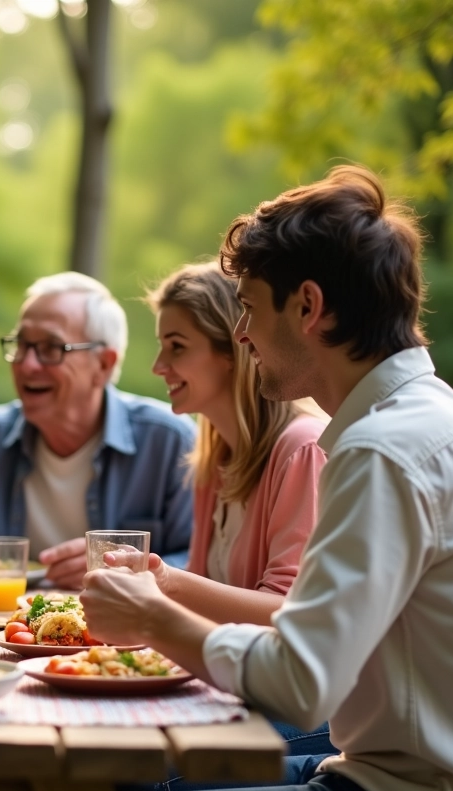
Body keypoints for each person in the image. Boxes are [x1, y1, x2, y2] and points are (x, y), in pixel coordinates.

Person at [81, 165, 453, 791]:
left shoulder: (385, 449)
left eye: (247, 306)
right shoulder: (412, 420)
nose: (241, 333)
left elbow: (303, 686)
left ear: (307, 307)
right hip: (375, 773)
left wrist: (155, 618)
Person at [143, 262, 334, 760]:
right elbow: (202, 591)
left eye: (177, 347)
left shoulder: (302, 449)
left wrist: (163, 582)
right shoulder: (216, 454)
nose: (158, 366)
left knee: (113, 776)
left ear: (232, 351)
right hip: (240, 688)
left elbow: (288, 615)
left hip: (312, 710)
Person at [0, 272, 196, 587]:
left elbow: (202, 560)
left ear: (103, 364)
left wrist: (129, 568)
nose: (27, 365)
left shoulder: (168, 441)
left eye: (51, 347)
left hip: (127, 631)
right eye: (21, 344)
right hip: (11, 626)